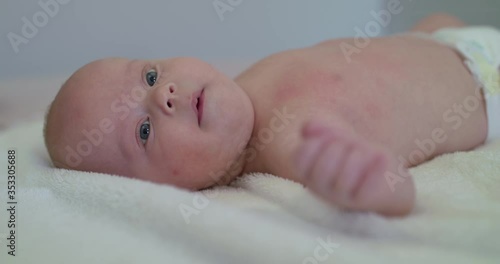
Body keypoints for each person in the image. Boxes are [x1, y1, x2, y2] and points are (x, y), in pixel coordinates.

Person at [44, 14, 500, 216]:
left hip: (439, 40)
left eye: (147, 76)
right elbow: (393, 192)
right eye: (143, 131)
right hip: (486, 86)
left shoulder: (244, 83)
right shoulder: (288, 145)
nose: (163, 94)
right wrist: (368, 180)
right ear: (157, 190)